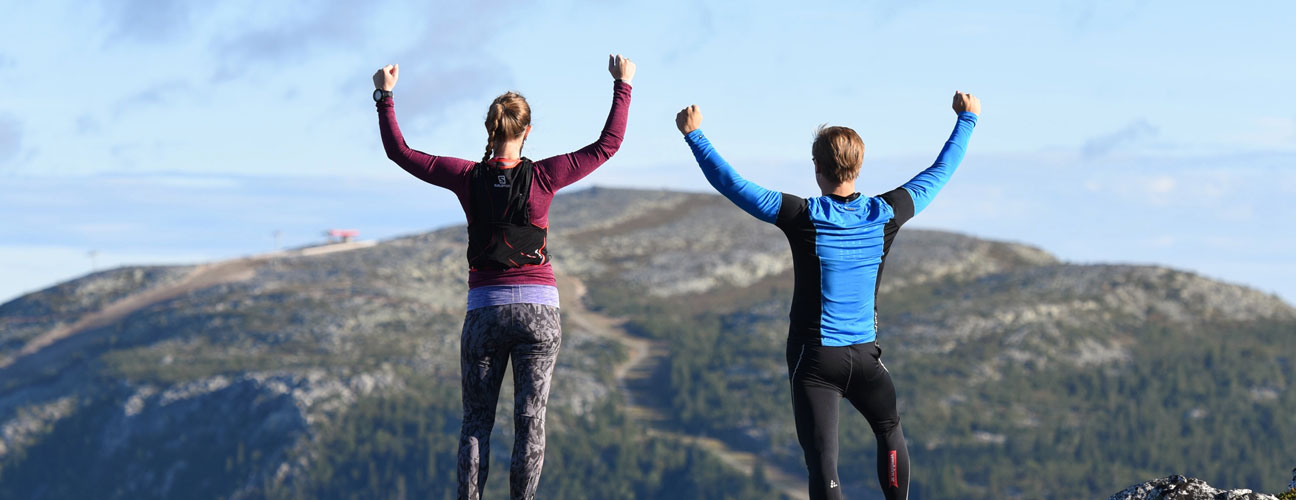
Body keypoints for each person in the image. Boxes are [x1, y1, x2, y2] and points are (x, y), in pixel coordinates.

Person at [675, 92, 980, 500]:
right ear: (859, 166)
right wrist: (967, 119)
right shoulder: (886, 213)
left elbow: (732, 184)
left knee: (823, 463)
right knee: (889, 431)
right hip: (867, 357)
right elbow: (940, 171)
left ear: (817, 168)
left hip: (817, 360)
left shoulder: (803, 216)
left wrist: (695, 135)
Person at [374, 54, 635, 500]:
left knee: (477, 422)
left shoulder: (467, 177)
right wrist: (622, 86)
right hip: (540, 313)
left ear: (489, 131)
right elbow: (607, 145)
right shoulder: (545, 176)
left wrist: (385, 96)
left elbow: (402, 153)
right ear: (527, 131)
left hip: (485, 314)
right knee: (530, 421)